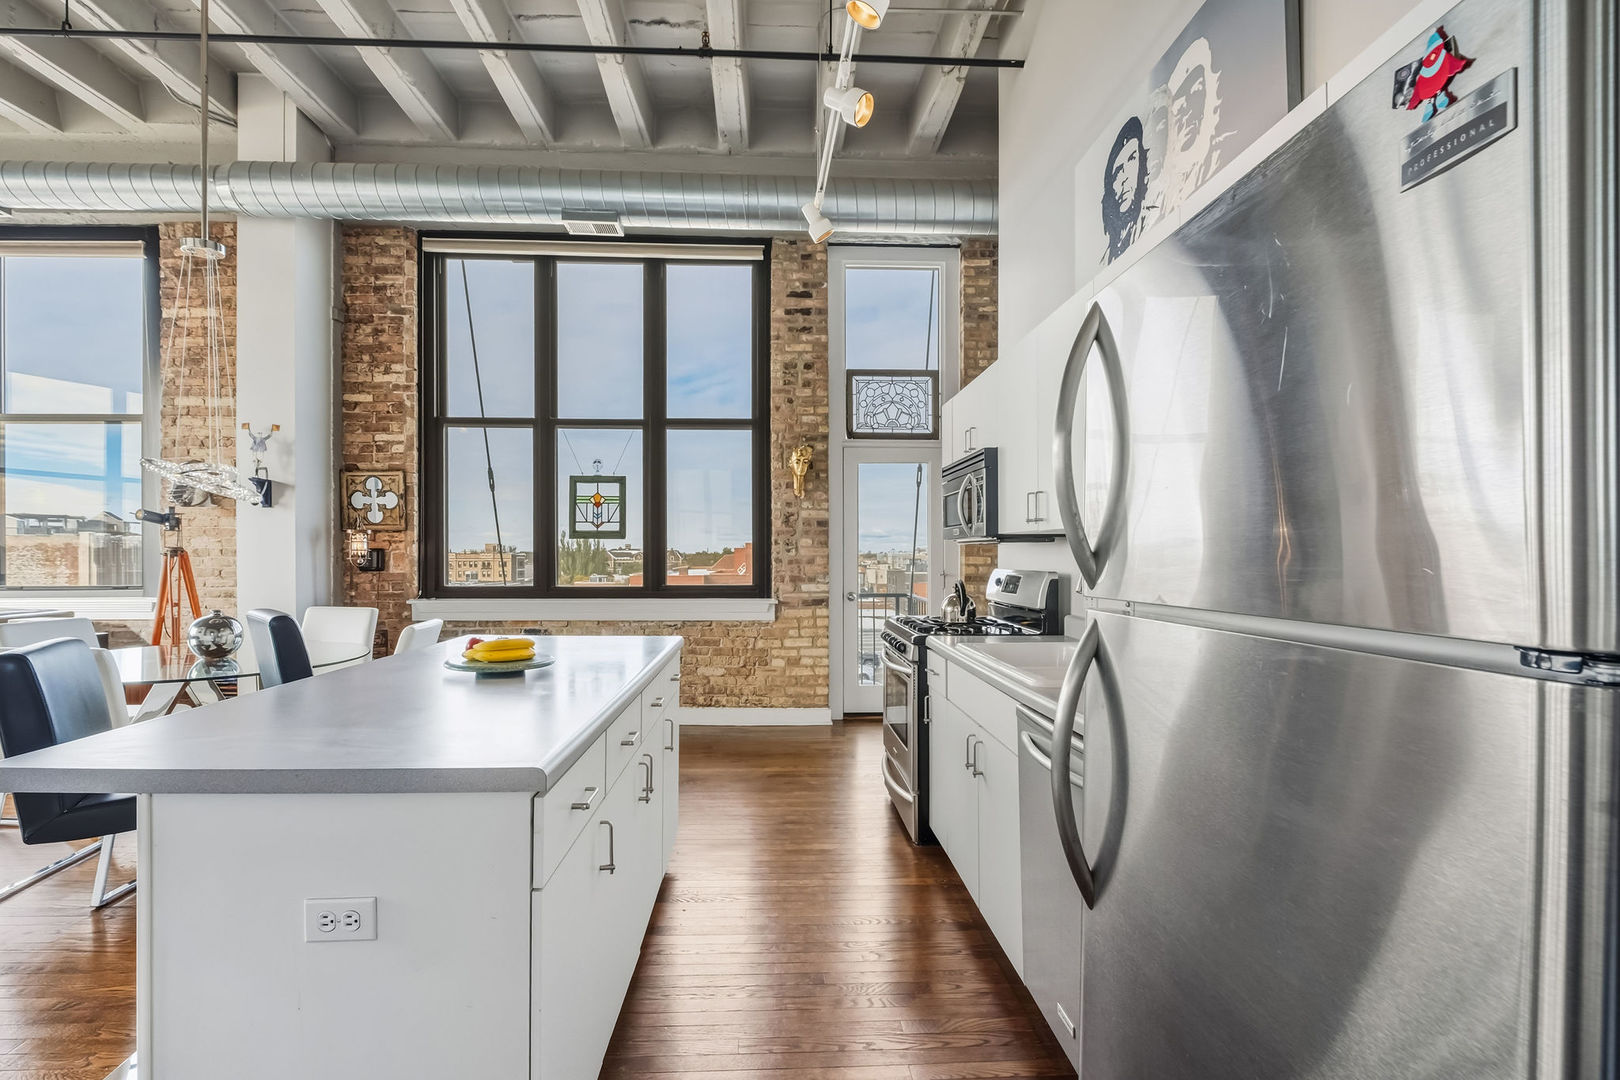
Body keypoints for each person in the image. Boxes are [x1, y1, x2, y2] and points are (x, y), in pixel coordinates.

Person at [1151, 36, 1225, 217]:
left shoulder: (1221, 160)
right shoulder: (1162, 202)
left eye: (1196, 89)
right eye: (1179, 102)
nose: (1186, 108)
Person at [1101, 115, 1150, 264]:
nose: (1124, 178)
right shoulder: (1107, 258)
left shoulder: (1151, 223)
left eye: (1131, 160)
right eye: (1117, 172)